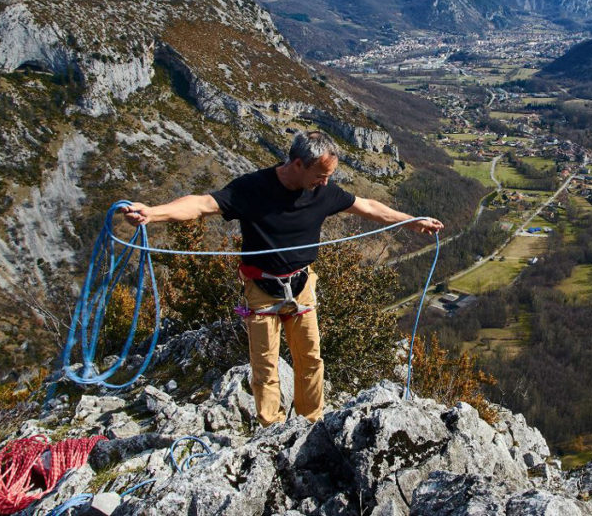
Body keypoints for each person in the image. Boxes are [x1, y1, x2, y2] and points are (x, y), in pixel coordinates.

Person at [122, 130, 443, 426]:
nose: (326, 182)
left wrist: (412, 222)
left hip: (302, 287)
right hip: (261, 290)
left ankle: (311, 423)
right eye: (320, 175)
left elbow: (369, 206)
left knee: (311, 360)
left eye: (329, 176)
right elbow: (202, 204)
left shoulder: (323, 191)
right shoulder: (253, 188)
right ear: (298, 164)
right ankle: (271, 428)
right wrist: (153, 213)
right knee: (265, 367)